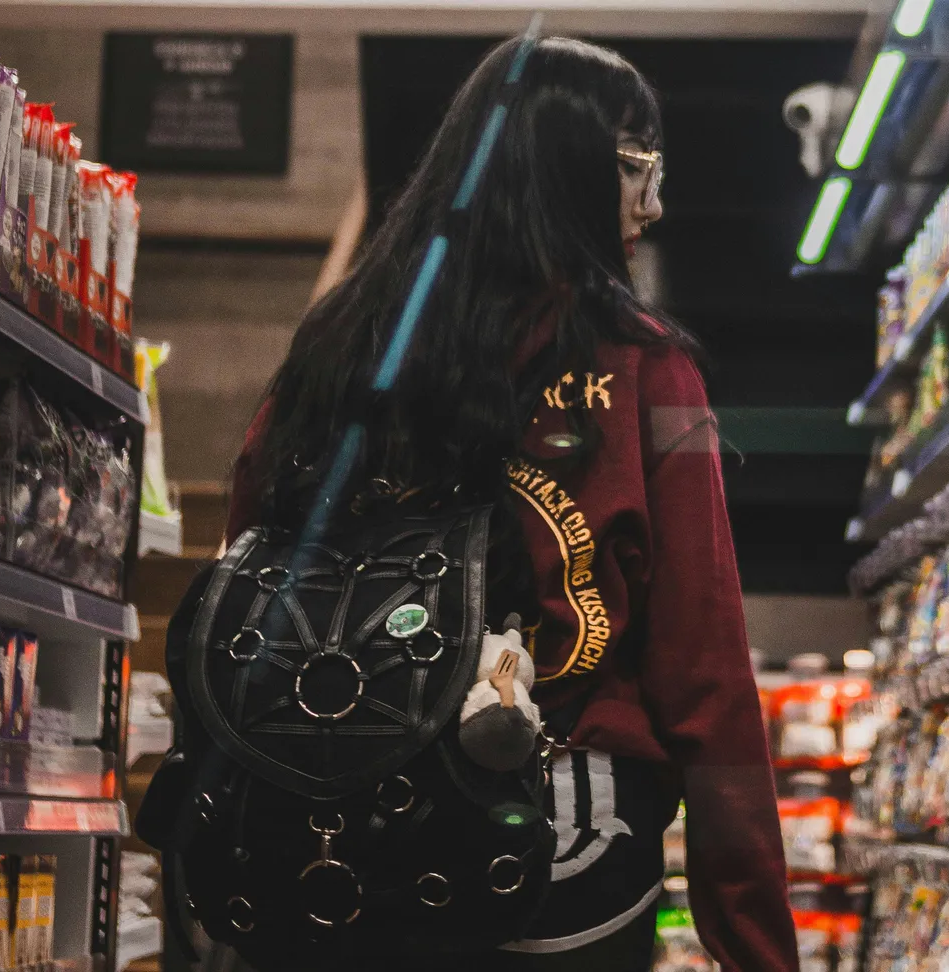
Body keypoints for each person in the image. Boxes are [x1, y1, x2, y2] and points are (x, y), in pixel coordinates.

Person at [222, 35, 798, 972]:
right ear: (563, 164)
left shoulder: (337, 346)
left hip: (337, 831)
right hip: (561, 836)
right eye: (636, 166)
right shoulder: (647, 368)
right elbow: (707, 667)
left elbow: (247, 575)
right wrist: (756, 942)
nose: (654, 202)